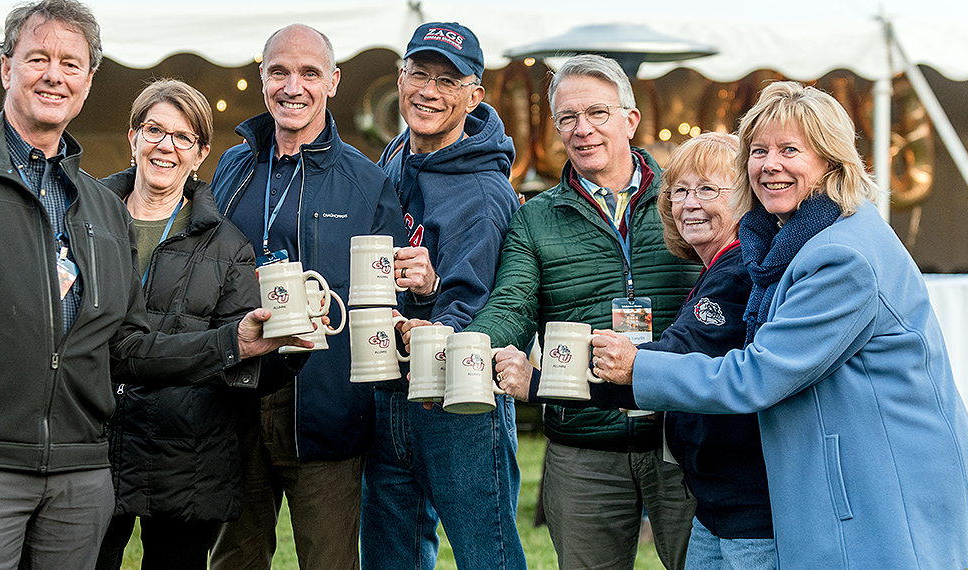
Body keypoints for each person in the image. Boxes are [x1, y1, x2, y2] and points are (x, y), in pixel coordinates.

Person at [0, 2, 300, 569]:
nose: (54, 74)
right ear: (6, 67)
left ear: (89, 81)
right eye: (37, 57)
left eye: (71, 63)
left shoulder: (98, 209)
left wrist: (235, 343)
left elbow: (126, 347)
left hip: (81, 477)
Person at [599, 81, 968, 570]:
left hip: (879, 488)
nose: (771, 164)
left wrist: (639, 368)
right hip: (850, 477)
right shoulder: (798, 237)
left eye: (790, 150)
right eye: (759, 151)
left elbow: (758, 377)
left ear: (831, 161)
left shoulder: (840, 257)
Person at [496, 132, 777, 569]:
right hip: (715, 494)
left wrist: (539, 383)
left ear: (746, 198)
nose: (689, 203)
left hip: (741, 501)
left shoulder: (735, 273)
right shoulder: (727, 266)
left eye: (707, 189)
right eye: (680, 191)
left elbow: (662, 367)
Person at [464, 54, 700, 570]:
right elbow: (510, 306)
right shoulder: (535, 219)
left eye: (597, 113)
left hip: (681, 434)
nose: (583, 129)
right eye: (568, 118)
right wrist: (464, 350)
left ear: (630, 119)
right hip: (584, 442)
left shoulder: (687, 200)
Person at [209, 23, 405, 570]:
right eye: (280, 72)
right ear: (262, 78)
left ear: (333, 82)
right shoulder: (234, 167)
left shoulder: (368, 183)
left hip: (325, 408)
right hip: (237, 400)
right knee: (234, 560)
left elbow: (388, 296)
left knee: (330, 561)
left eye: (309, 73)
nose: (293, 87)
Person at [94, 79, 298, 570]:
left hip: (185, 454)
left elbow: (236, 359)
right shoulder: (85, 217)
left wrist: (290, 351)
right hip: (91, 443)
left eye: (183, 137)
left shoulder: (229, 247)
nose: (165, 145)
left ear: (201, 153)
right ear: (133, 138)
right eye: (154, 130)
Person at [361, 22, 526, 570]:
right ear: (400, 78)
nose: (429, 90)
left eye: (448, 81)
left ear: (474, 95)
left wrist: (433, 293)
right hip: (389, 389)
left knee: (488, 557)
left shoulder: (486, 190)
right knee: (393, 557)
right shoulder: (396, 155)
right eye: (419, 74)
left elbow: (484, 303)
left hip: (459, 396)